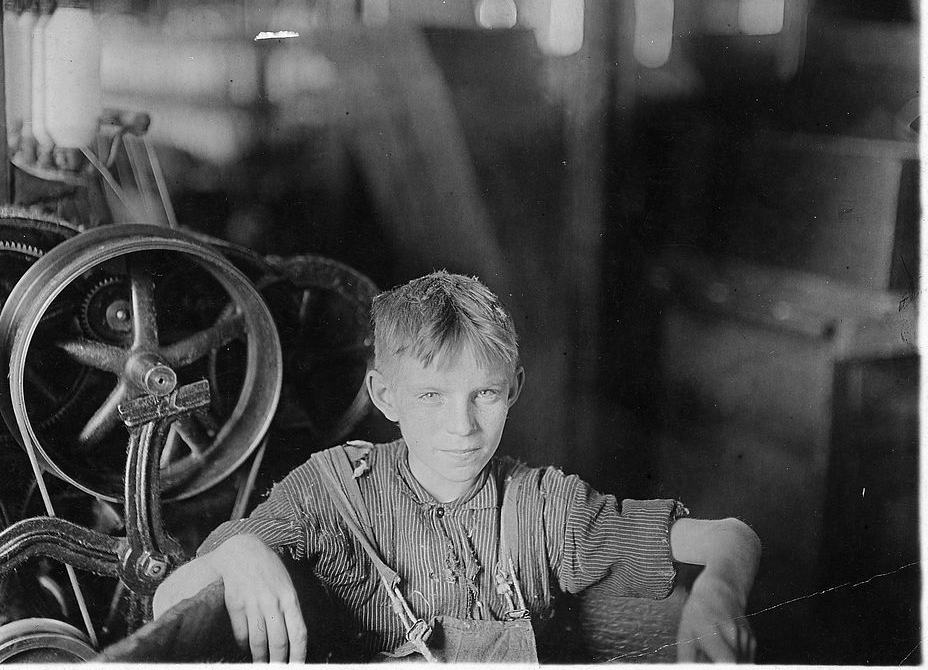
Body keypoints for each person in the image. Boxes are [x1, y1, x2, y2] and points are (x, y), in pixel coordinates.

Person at [153, 270, 761, 663]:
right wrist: (236, 551)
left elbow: (732, 536)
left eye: (485, 395)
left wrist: (720, 590)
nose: (462, 426)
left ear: (515, 387)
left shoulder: (546, 509)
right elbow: (171, 607)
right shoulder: (331, 493)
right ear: (386, 397)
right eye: (431, 397)